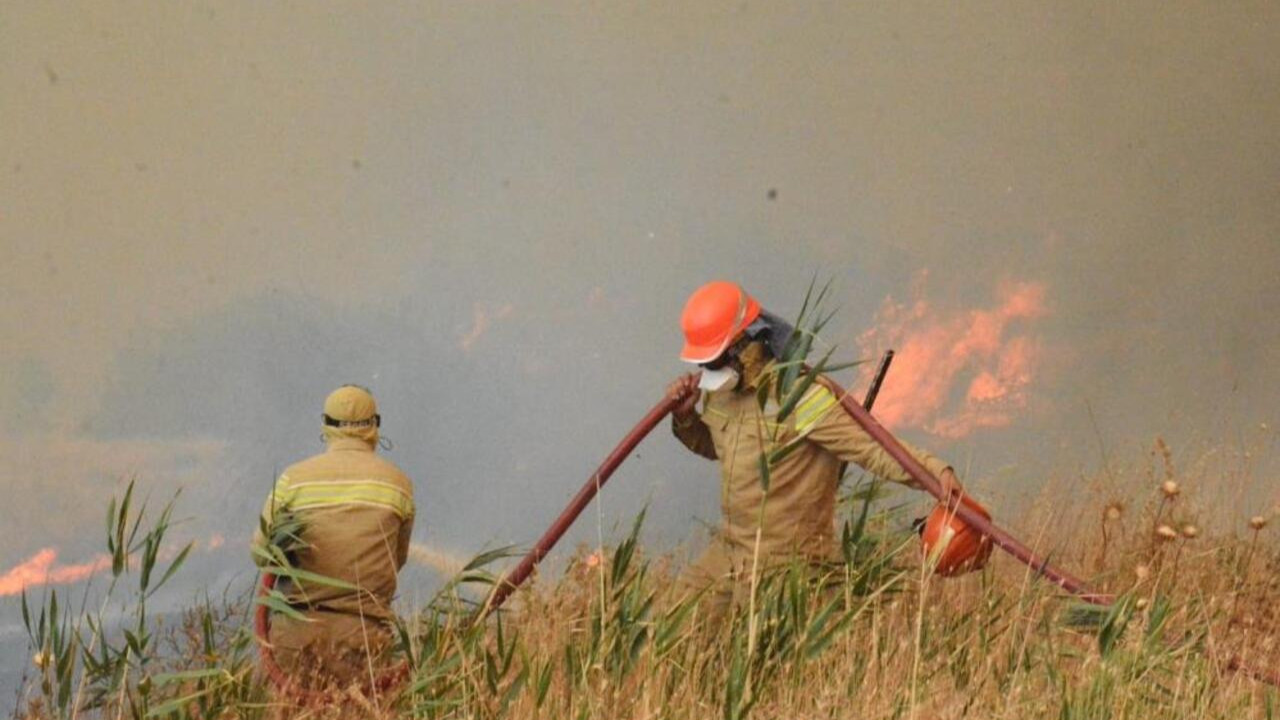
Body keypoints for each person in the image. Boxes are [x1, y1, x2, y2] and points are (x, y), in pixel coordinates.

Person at [667, 281, 964, 619]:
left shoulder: (800, 395)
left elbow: (872, 447)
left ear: (743, 345)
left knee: (763, 651)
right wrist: (686, 417)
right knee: (673, 621)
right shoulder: (722, 394)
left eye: (714, 359)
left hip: (786, 560)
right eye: (704, 362)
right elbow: (720, 448)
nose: (708, 371)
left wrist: (936, 473)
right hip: (732, 550)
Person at [251, 385, 415, 687]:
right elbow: (397, 559)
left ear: (325, 425)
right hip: (363, 634)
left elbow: (262, 553)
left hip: (294, 633)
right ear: (374, 426)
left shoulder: (292, 481)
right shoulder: (398, 485)